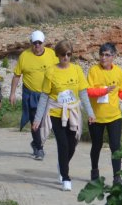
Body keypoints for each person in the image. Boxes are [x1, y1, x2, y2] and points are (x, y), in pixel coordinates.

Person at [32, 40, 95, 192]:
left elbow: (83, 93)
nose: (65, 57)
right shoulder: (51, 72)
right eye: (62, 54)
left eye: (68, 54)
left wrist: (90, 112)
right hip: (56, 112)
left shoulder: (77, 70)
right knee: (63, 144)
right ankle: (66, 177)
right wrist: (38, 119)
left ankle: (62, 164)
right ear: (57, 55)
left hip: (73, 112)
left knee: (72, 144)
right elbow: (44, 96)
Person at [86, 42, 122, 184]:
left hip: (114, 116)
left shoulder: (119, 72)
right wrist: (104, 91)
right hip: (96, 117)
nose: (103, 58)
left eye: (107, 55)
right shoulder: (93, 71)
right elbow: (88, 91)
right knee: (97, 145)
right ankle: (94, 172)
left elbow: (121, 91)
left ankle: (117, 177)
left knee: (116, 147)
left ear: (113, 56)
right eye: (101, 54)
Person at [9, 30, 58, 161]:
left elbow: (59, 70)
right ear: (31, 43)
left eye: (39, 43)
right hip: (31, 94)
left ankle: (36, 143)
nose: (37, 45)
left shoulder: (51, 54)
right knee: (35, 121)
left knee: (48, 122)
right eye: (35, 43)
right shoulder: (24, 56)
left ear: (43, 43)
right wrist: (12, 93)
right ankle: (39, 148)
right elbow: (17, 75)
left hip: (48, 94)